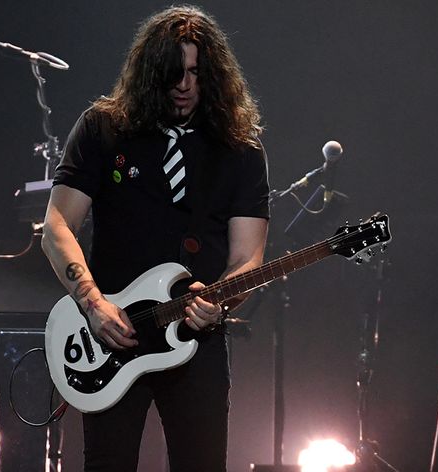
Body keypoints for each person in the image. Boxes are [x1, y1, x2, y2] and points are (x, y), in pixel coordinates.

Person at [41, 5, 269, 471]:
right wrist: (93, 304)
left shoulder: (240, 149)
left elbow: (249, 257)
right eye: (172, 73)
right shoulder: (104, 128)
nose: (184, 86)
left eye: (194, 73)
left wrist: (221, 303)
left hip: (196, 342)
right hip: (111, 338)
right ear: (150, 73)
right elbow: (57, 226)